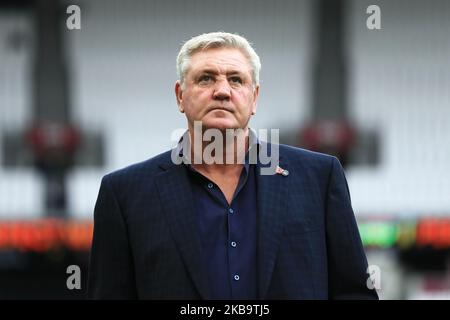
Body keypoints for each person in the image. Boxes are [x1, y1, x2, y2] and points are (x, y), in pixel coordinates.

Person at [87, 32, 378, 300]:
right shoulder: (124, 194)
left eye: (236, 80)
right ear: (180, 96)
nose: (223, 91)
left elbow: (354, 293)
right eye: (206, 79)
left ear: (254, 98)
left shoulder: (319, 178)